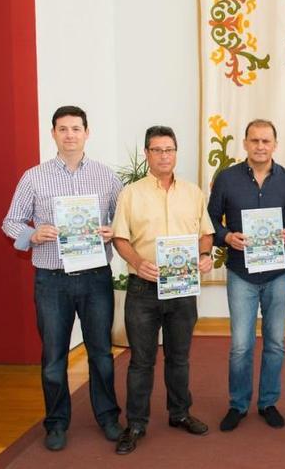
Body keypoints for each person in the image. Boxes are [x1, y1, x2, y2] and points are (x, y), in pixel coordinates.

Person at [2, 105, 123, 451]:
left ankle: (108, 417)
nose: (70, 135)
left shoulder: (106, 176)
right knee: (54, 356)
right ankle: (56, 423)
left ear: (87, 132)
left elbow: (123, 221)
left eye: (76, 128)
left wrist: (111, 231)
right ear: (52, 133)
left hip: (95, 277)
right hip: (51, 279)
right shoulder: (33, 177)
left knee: (100, 351)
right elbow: (10, 221)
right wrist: (32, 234)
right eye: (63, 129)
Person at [111, 126, 215, 455]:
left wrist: (203, 255)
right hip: (144, 288)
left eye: (169, 149)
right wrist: (137, 262)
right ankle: (137, 423)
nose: (164, 156)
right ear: (146, 155)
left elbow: (206, 233)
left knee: (179, 357)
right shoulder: (131, 194)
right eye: (157, 150)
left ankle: (180, 413)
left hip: (182, 288)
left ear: (176, 152)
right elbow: (119, 238)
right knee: (141, 360)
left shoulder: (193, 193)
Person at [207, 119, 285, 431]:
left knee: (276, 342)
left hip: (278, 273)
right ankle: (237, 404)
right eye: (254, 141)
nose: (260, 146)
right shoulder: (226, 178)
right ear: (245, 144)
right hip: (241, 272)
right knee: (240, 345)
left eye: (266, 141)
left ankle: (268, 402)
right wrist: (226, 237)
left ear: (275, 144)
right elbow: (210, 220)